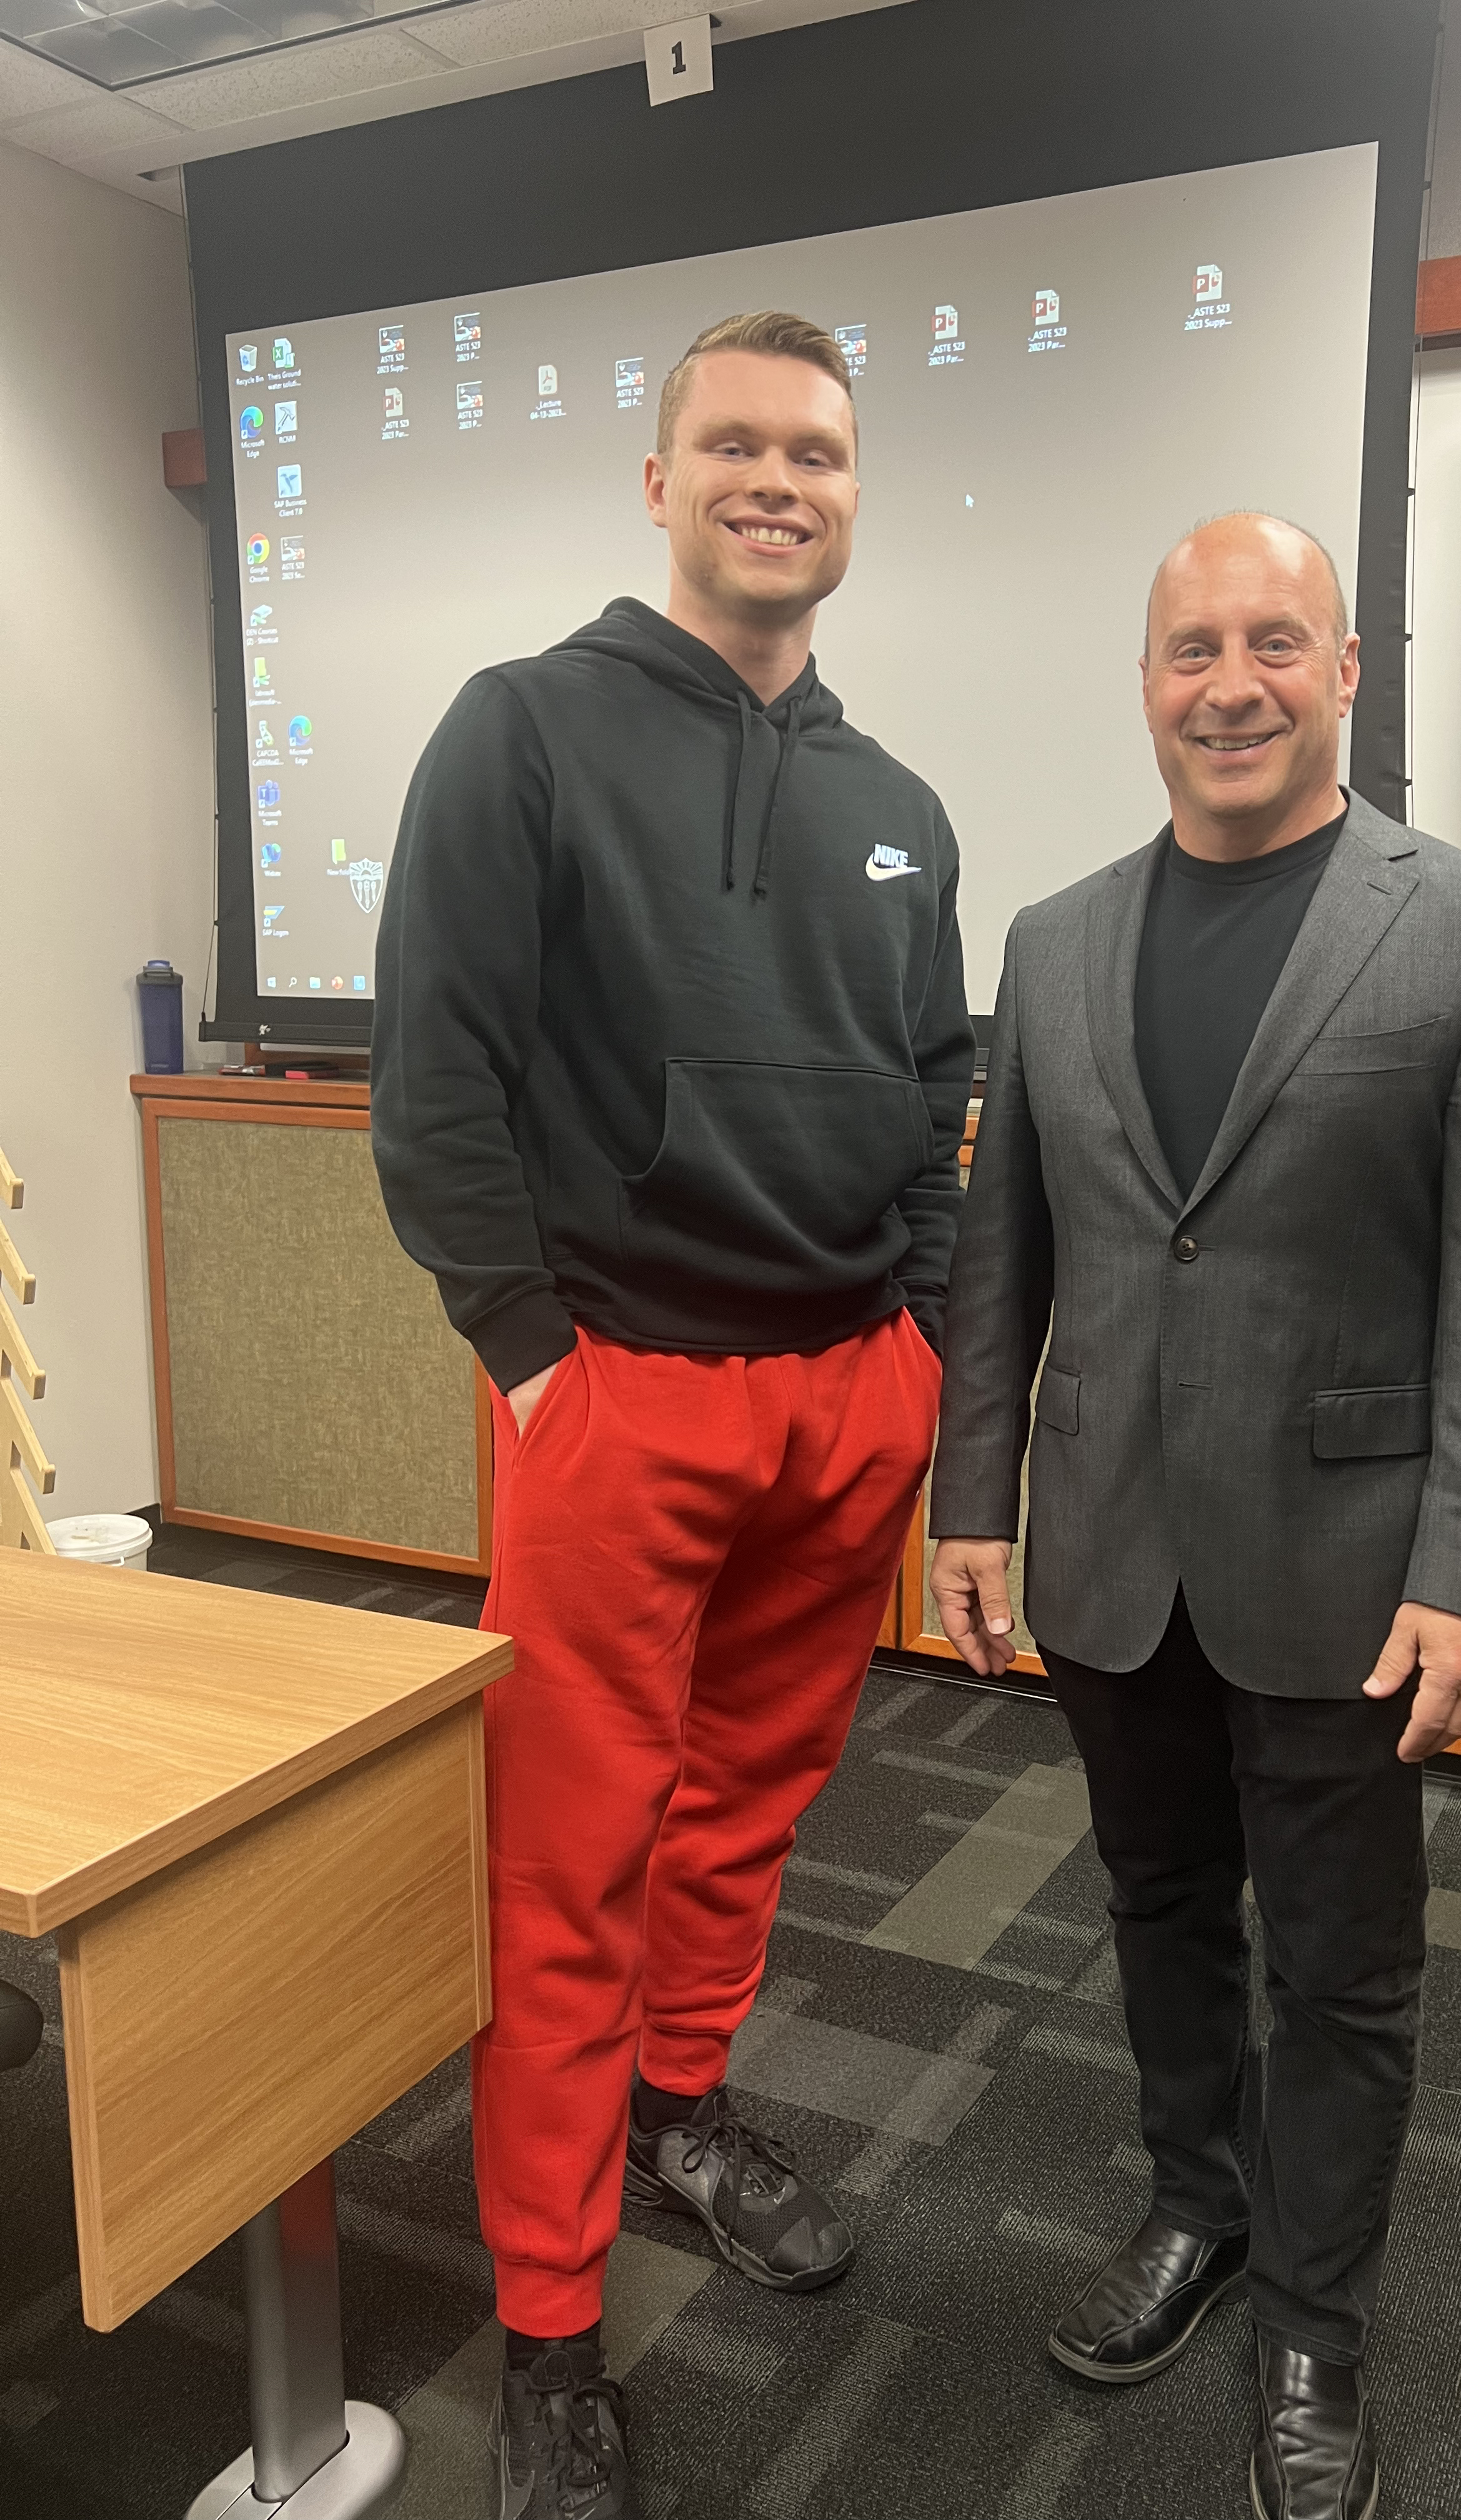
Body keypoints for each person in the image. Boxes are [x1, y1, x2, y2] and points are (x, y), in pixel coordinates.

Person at [372, 311, 974, 2520]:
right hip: (616, 1397)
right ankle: (548, 2325)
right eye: (732, 442)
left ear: (847, 493)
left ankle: (678, 2114)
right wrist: (533, 1358)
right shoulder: (519, 733)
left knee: (742, 1820)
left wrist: (910, 1351)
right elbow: (433, 1080)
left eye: (814, 450)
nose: (776, 479)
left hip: (846, 1409)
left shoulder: (898, 804)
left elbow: (934, 1103)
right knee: (569, 1867)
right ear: (657, 479)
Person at [928, 513, 1461, 2520]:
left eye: (1275, 643)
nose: (1232, 682)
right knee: (1151, 1911)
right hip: (1112, 1547)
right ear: (1147, 684)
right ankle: (1196, 2208)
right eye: (1193, 648)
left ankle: (1315, 2320)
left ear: (1345, 673)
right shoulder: (1051, 946)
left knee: (1348, 1971)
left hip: (1349, 1567)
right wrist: (977, 1499)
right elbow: (1002, 1264)